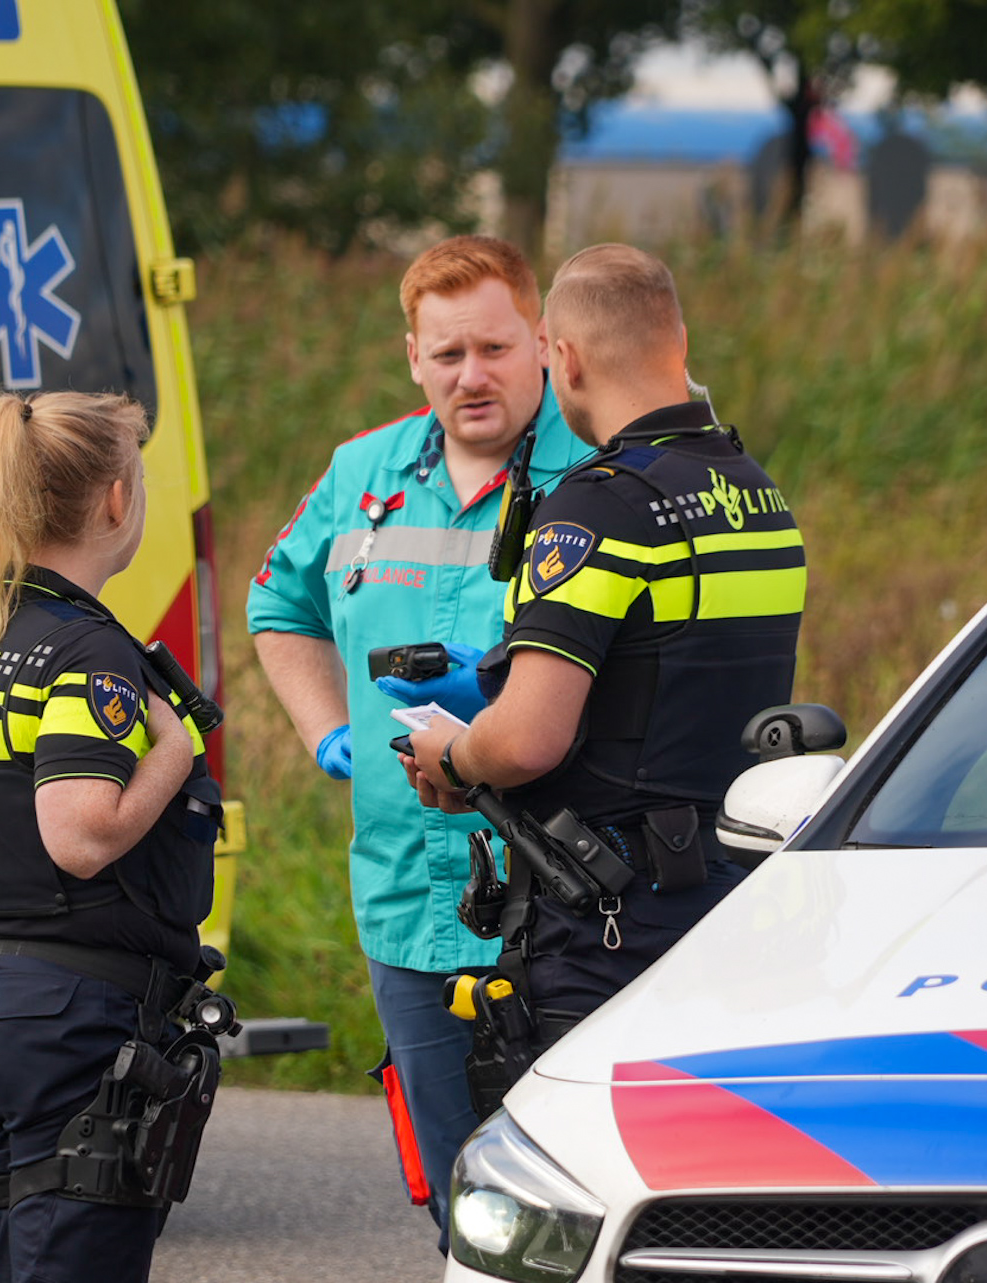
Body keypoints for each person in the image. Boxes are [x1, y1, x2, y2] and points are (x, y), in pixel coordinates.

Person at [246, 234, 585, 1243]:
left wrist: (504, 670)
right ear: (413, 356)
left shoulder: (597, 472)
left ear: (541, 341)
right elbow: (280, 604)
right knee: (462, 1205)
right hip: (406, 891)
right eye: (447, 355)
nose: (471, 377)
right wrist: (325, 731)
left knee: (567, 1200)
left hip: (558, 893)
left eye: (493, 347)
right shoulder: (365, 472)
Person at [403, 243, 806, 1046]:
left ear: (565, 358)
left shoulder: (599, 508)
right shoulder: (756, 491)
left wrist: (452, 755)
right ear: (680, 342)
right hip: (736, 898)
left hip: (612, 923)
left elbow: (525, 740)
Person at [0, 391, 222, 1283]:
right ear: (114, 501)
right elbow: (81, 838)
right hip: (77, 1021)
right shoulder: (86, 655)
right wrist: (176, 747)